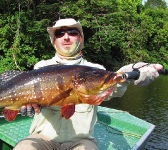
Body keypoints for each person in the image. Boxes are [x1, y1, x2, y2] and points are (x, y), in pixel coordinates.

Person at [13, 18, 163, 150]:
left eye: (72, 32)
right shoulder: (41, 67)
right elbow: (28, 98)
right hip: (42, 138)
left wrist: (130, 72)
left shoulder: (96, 70)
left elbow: (113, 85)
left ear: (81, 39)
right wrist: (26, 107)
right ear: (54, 41)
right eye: (60, 34)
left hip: (81, 141)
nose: (66, 37)